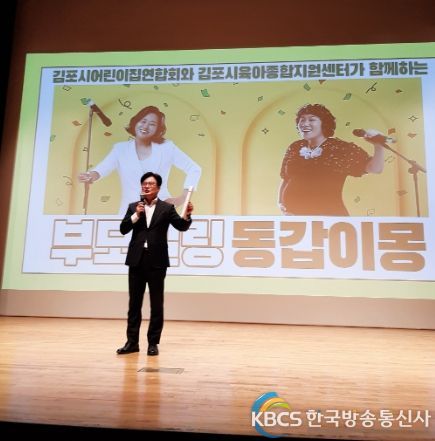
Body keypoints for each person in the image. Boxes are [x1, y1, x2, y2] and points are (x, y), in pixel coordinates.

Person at [116, 172, 193, 356]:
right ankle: (132, 342)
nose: (146, 186)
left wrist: (187, 215)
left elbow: (181, 226)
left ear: (158, 187)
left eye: (150, 183)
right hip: (136, 260)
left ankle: (153, 343)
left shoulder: (167, 208)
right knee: (134, 304)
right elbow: (123, 229)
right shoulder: (134, 206)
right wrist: (136, 215)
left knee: (156, 304)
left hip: (157, 261)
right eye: (144, 183)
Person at [79, 105, 201, 215]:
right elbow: (101, 169)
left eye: (152, 124)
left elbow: (194, 169)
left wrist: (183, 198)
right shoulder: (120, 149)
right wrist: (90, 175)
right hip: (129, 212)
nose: (145, 126)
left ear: (158, 129)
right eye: (143, 121)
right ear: (135, 122)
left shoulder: (166, 147)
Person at [278, 103, 385, 216]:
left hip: (329, 217)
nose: (305, 123)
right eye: (302, 120)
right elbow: (286, 178)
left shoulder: (340, 148)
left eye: (311, 119)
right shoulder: (295, 147)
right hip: (295, 217)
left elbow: (375, 168)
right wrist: (281, 203)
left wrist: (378, 146)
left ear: (324, 123)